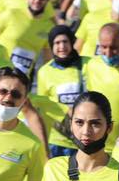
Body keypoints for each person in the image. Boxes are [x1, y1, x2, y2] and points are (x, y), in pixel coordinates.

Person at [32, 25, 87, 158]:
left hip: (85, 137)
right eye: (57, 43)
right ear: (51, 46)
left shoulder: (87, 64)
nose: (61, 46)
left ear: (72, 43)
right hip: (58, 140)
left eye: (65, 41)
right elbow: (44, 105)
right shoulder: (44, 71)